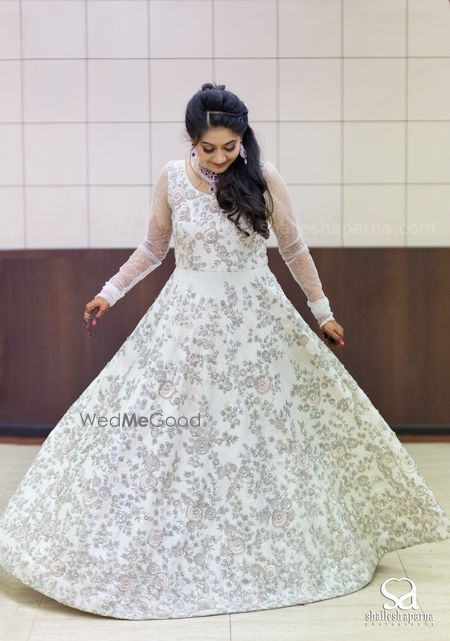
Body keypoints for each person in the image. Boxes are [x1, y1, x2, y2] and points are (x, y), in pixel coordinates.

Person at [0, 82, 449, 621]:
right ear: (192, 139)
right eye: (208, 147)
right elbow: (154, 247)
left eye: (229, 146)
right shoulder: (172, 178)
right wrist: (108, 293)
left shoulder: (261, 176)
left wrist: (322, 311)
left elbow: (293, 246)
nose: (219, 157)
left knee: (272, 432)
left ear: (242, 138)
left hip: (256, 317)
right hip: (185, 316)